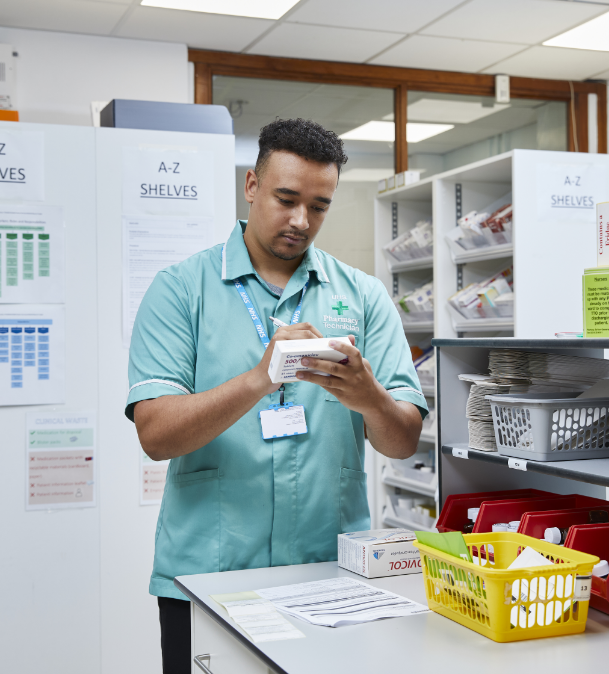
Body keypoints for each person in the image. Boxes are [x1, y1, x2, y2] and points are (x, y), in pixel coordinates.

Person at [126, 118, 428, 673]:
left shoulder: (362, 295)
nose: (300, 220)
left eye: (319, 206)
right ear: (251, 186)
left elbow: (403, 439)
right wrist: (258, 378)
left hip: (330, 579)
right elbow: (155, 435)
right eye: (286, 199)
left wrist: (368, 398)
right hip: (206, 579)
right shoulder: (181, 290)